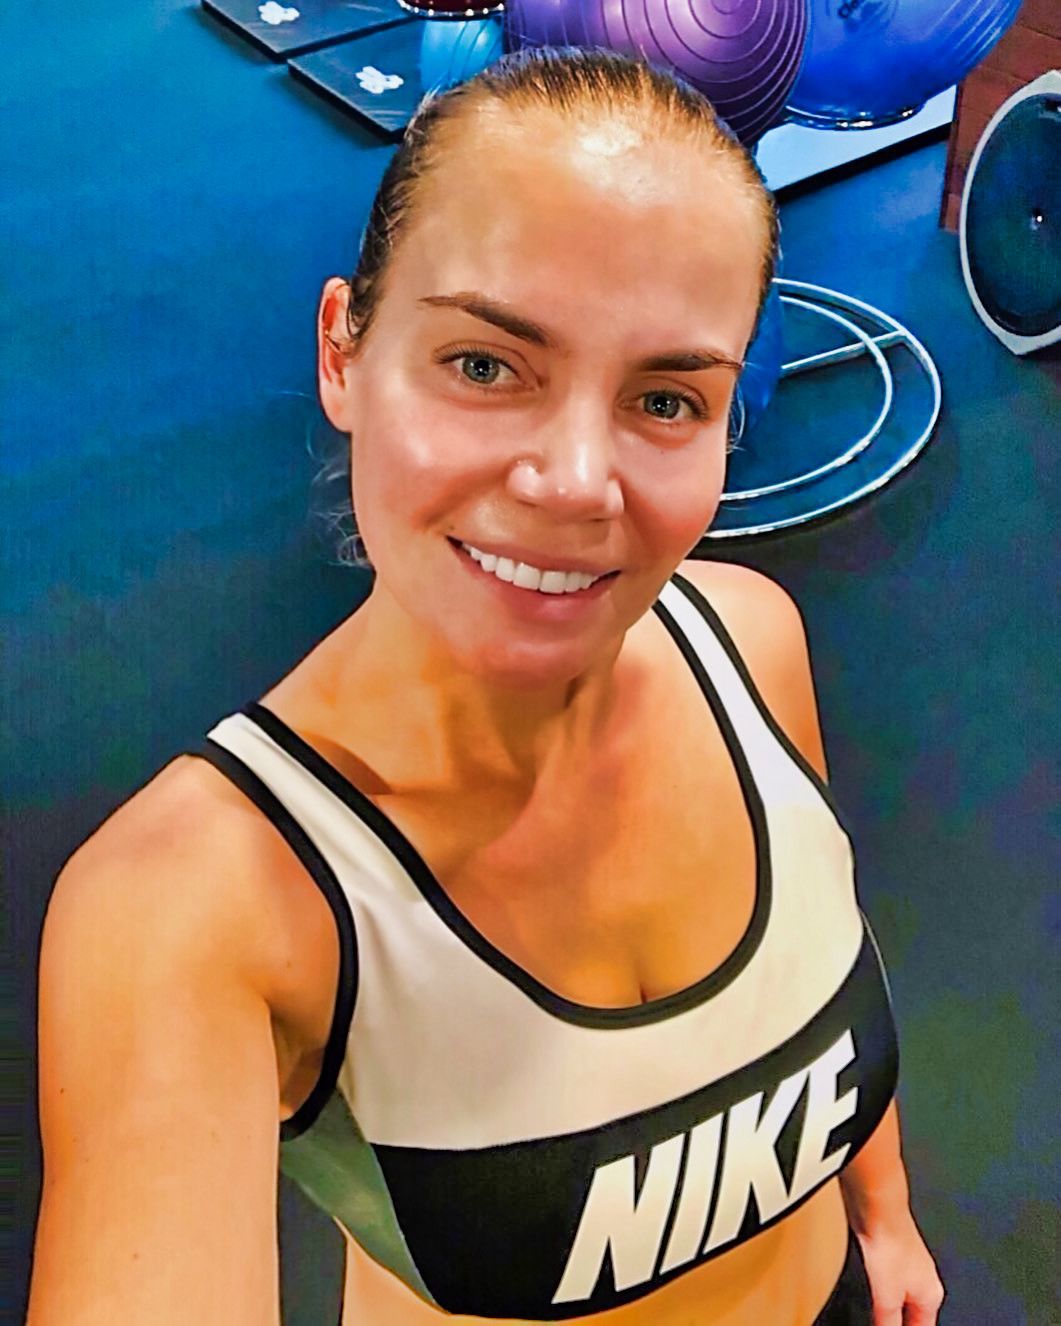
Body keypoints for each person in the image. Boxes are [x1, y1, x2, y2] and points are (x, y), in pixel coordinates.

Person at [28, 46, 945, 1326]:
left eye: (665, 398)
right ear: (343, 353)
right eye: (483, 365)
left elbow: (822, 954)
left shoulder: (748, 639)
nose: (573, 482)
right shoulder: (196, 905)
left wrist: (882, 1217)